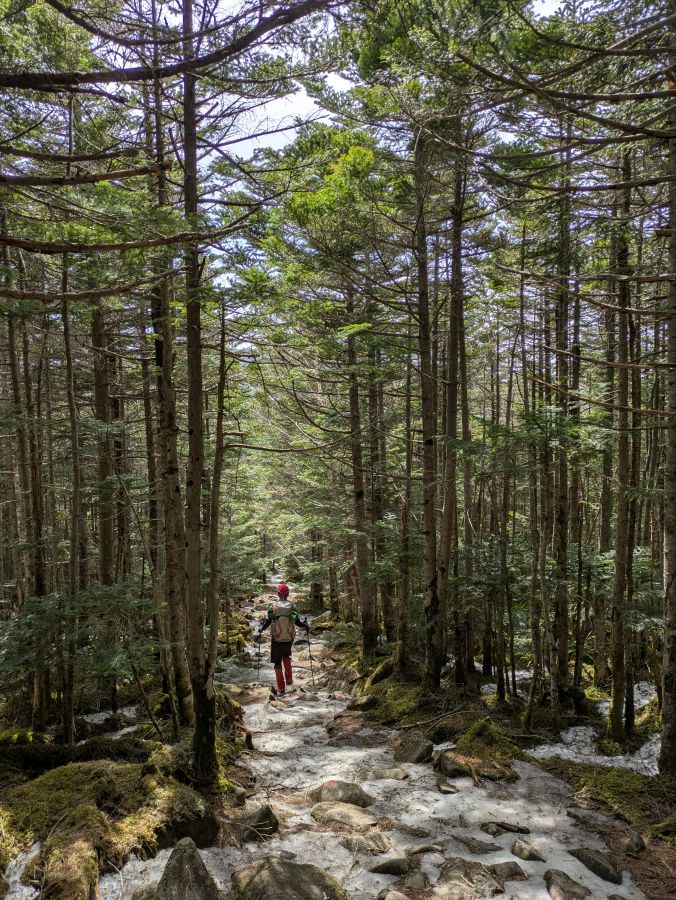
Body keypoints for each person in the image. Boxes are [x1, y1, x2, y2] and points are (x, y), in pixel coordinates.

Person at [258, 583, 309, 696]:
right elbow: (297, 622)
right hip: (288, 638)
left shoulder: (273, 606)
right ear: (288, 594)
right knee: (286, 656)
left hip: (276, 638)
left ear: (278, 594)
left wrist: (261, 628)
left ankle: (281, 688)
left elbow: (267, 621)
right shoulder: (292, 606)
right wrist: (305, 625)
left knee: (277, 662)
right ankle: (289, 680)